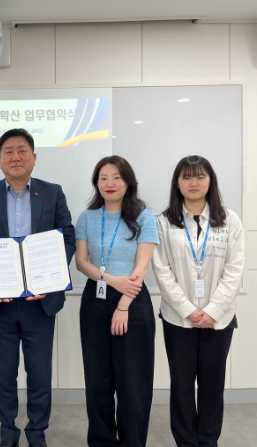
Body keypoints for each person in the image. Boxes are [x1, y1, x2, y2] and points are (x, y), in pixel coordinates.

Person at [0, 128, 75, 447]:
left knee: (39, 372)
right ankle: (8, 431)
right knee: (4, 372)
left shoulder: (52, 192)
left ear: (34, 157)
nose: (16, 156)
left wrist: (50, 279)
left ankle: (37, 432)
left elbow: (67, 237)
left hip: (40, 302)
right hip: (1, 302)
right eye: (9, 151)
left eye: (22, 150)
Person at [152, 155, 244, 447]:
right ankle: (185, 442)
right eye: (187, 176)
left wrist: (213, 310)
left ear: (210, 181)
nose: (194, 182)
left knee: (212, 385)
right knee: (181, 386)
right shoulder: (163, 222)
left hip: (219, 319)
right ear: (177, 183)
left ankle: (207, 440)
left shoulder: (229, 220)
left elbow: (235, 269)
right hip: (178, 319)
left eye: (200, 176)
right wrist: (189, 310)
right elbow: (162, 270)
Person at [75, 155, 159, 447]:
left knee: (133, 381)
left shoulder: (144, 217)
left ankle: (132, 442)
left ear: (128, 182)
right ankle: (101, 441)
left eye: (116, 177)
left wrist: (123, 305)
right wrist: (110, 279)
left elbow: (142, 267)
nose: (109, 183)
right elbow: (81, 262)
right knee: (97, 380)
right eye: (103, 178)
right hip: (95, 298)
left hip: (132, 301)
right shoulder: (87, 217)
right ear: (96, 183)